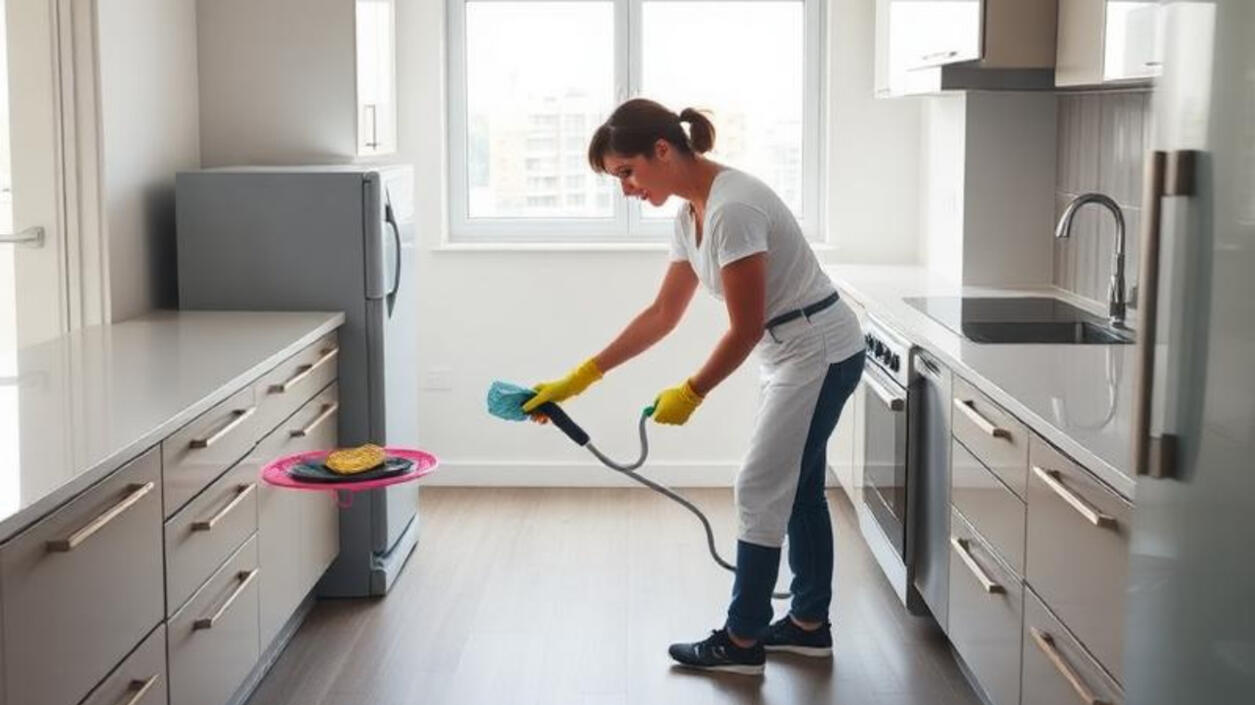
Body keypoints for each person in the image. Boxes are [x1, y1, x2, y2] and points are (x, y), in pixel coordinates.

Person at [522, 98, 865, 675]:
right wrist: (578, 379)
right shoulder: (691, 215)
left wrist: (693, 390)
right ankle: (808, 626)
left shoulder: (733, 208)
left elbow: (746, 326)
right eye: (616, 180)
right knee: (797, 488)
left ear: (663, 149)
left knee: (759, 487)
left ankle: (742, 639)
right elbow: (662, 313)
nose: (626, 189)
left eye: (627, 172)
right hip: (793, 350)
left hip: (817, 350)